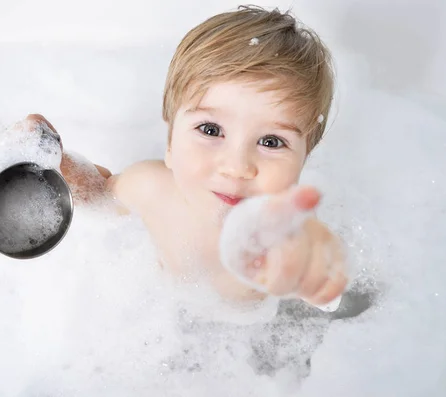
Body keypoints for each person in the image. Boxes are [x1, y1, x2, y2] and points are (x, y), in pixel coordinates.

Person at [22, 5, 347, 309]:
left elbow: (322, 285)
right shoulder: (151, 187)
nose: (237, 167)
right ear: (169, 142)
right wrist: (52, 159)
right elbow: (98, 192)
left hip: (251, 346)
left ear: (305, 158)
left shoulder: (289, 233)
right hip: (160, 324)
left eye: (271, 141)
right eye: (210, 130)